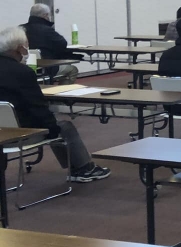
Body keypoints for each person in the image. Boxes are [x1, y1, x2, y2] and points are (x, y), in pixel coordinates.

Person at [0, 26, 111, 183]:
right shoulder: (23, 72)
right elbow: (37, 108)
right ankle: (83, 169)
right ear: (19, 48)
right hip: (22, 131)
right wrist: (53, 129)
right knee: (64, 127)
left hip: (2, 130)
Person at [22, 2, 83, 83]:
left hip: (24, 67)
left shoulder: (20, 29)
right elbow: (62, 43)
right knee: (72, 70)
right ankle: (62, 91)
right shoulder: (47, 30)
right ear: (45, 15)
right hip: (46, 68)